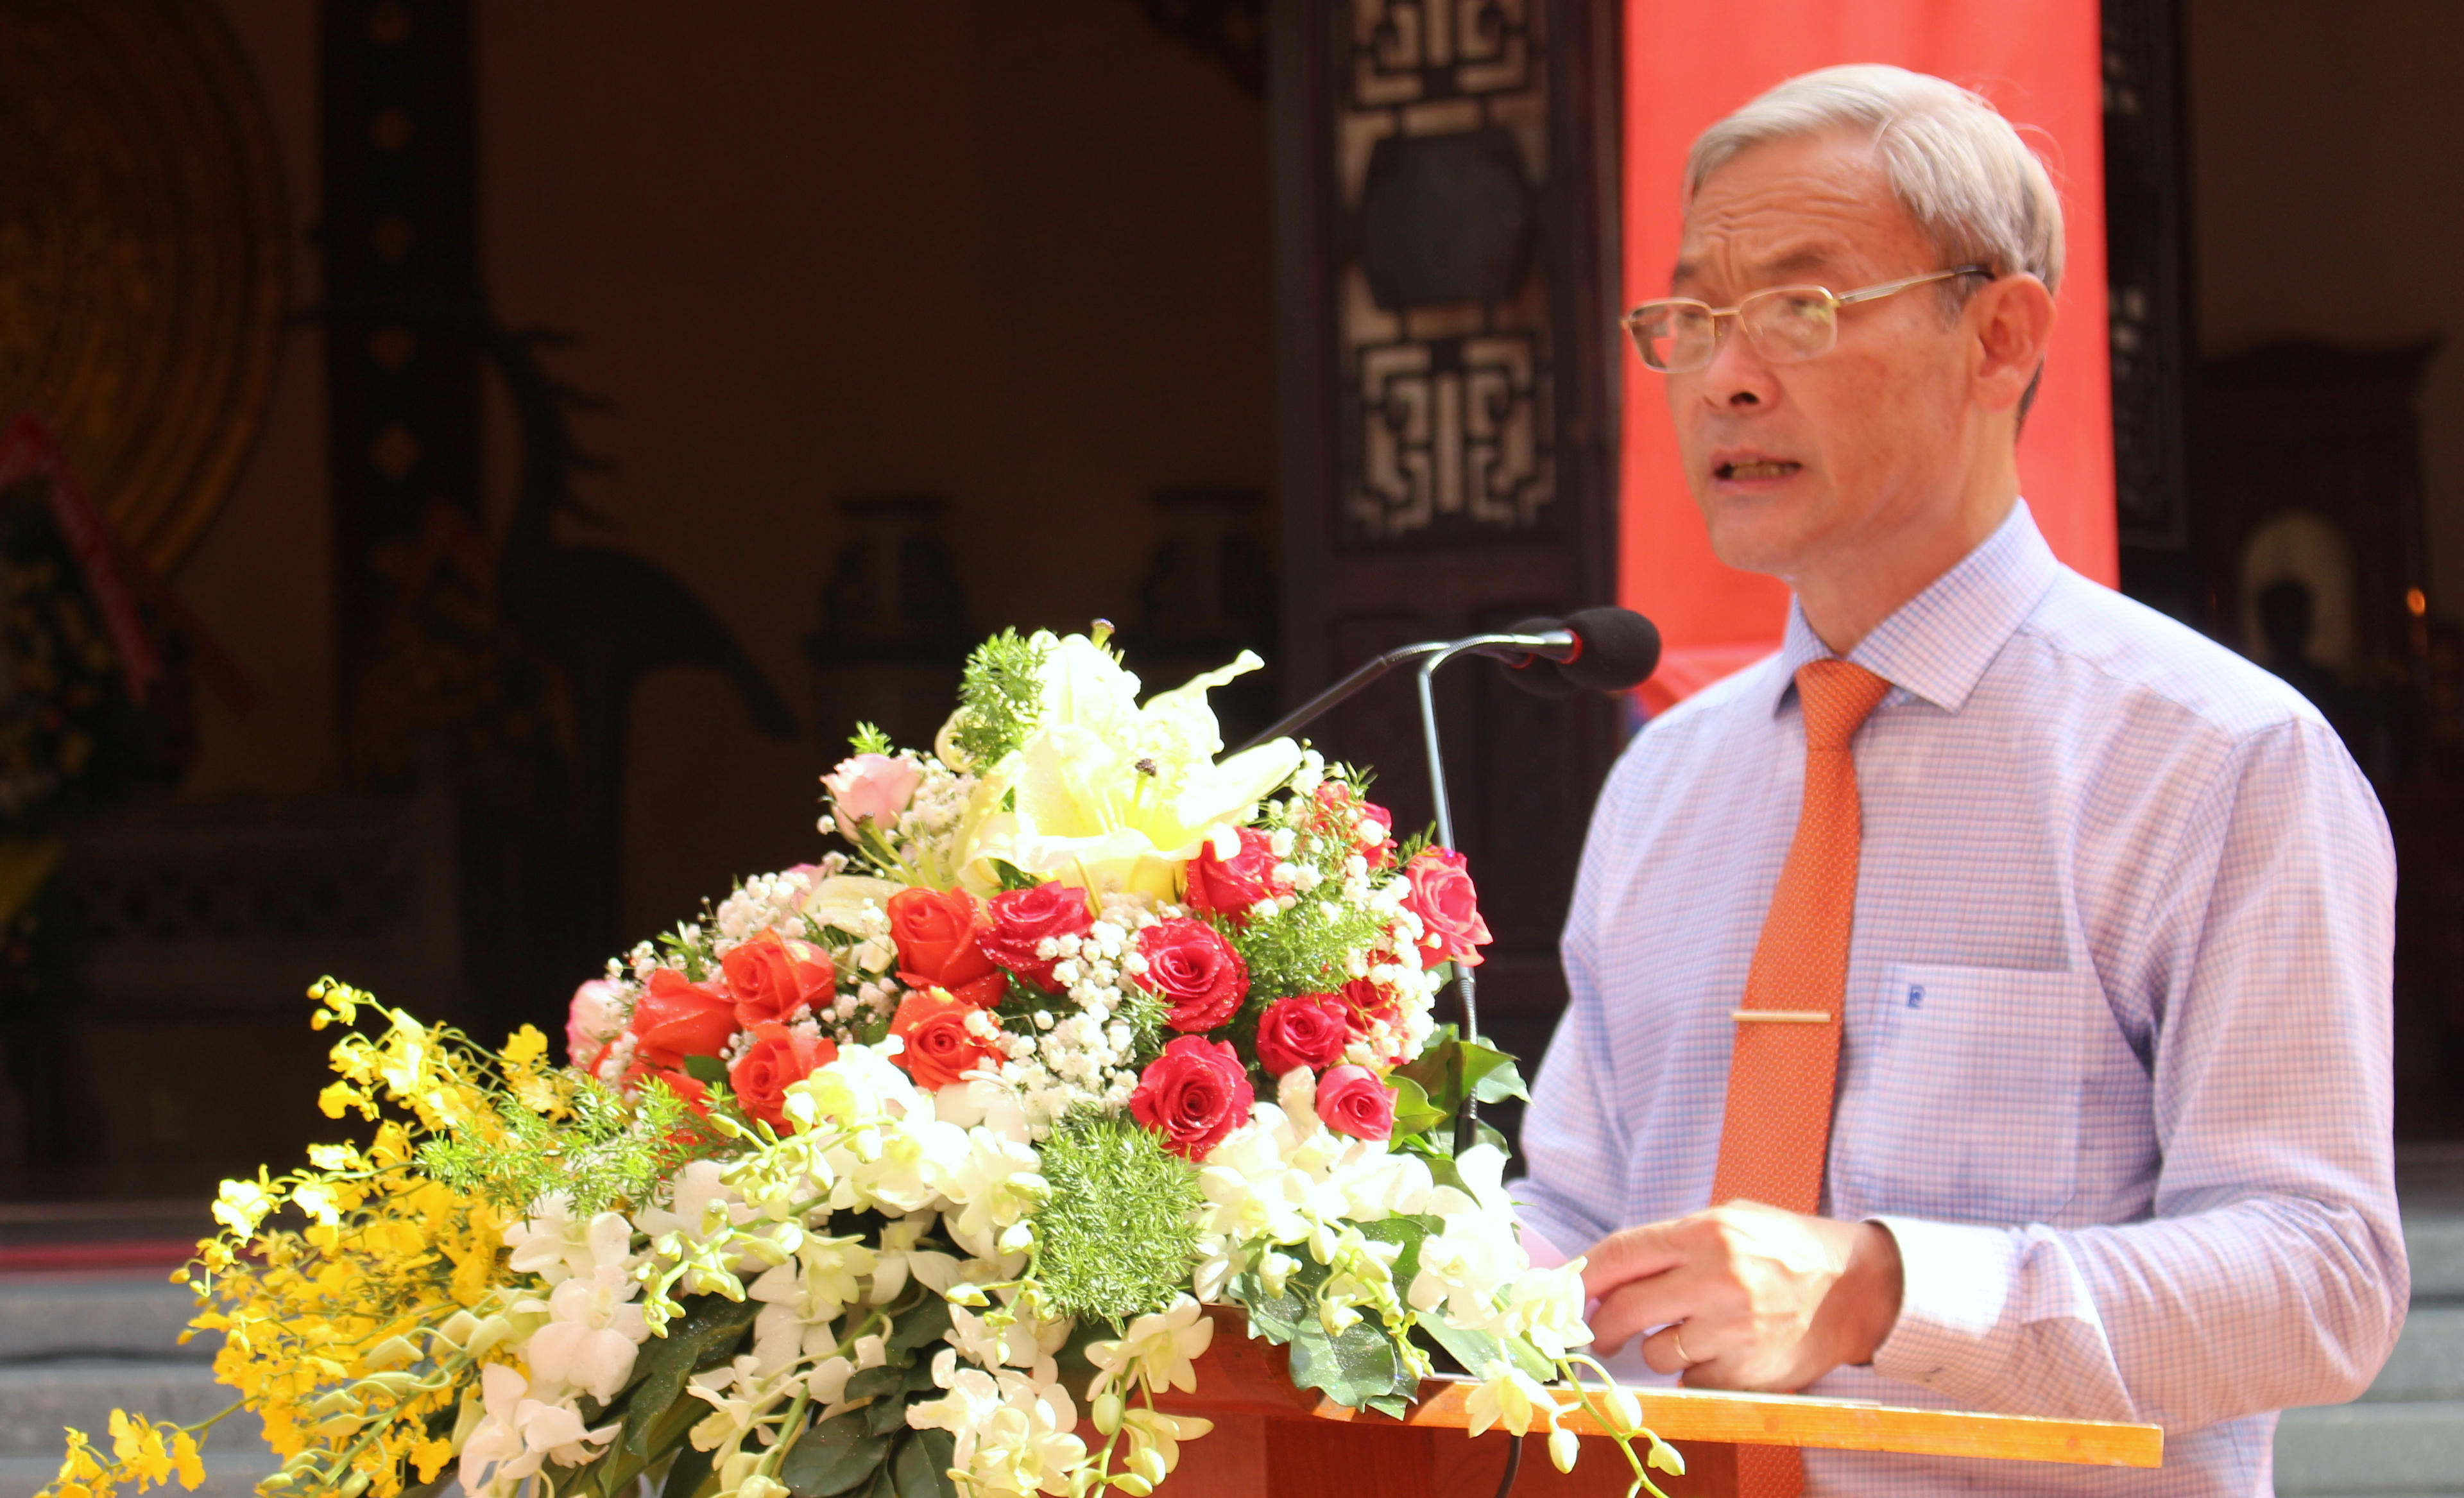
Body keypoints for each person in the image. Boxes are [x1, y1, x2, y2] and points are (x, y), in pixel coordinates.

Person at [1510, 64, 2405, 1497]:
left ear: (2000, 338)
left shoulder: (2217, 760)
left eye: (1801, 308)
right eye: (1693, 319)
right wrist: (1324, 1257)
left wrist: (1882, 1290)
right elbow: (1573, 1206)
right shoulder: (1664, 780)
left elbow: (2322, 1278)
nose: (1726, 377)